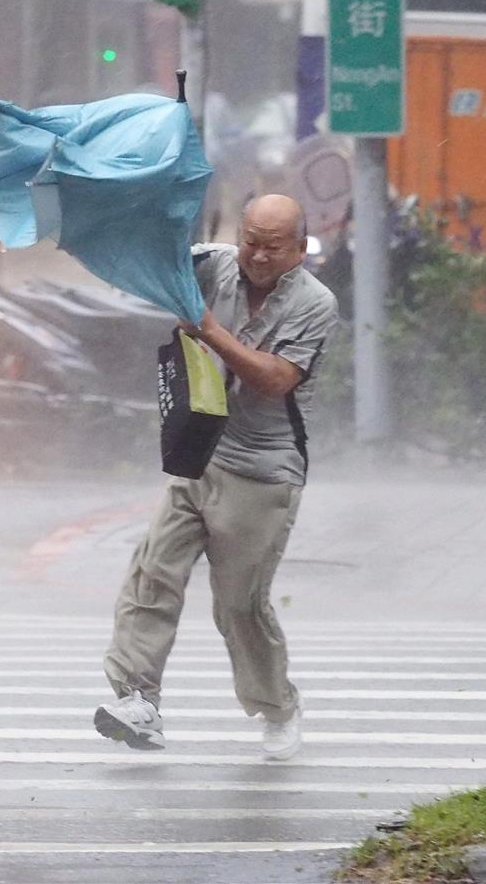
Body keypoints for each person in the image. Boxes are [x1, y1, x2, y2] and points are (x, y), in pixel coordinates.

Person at [94, 194, 339, 760]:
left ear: (299, 250)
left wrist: (206, 328)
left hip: (265, 469)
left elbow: (274, 379)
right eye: (249, 238)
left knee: (238, 605)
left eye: (272, 246)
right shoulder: (212, 263)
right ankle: (140, 699)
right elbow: (156, 265)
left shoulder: (314, 303)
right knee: (153, 571)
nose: (255, 254)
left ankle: (277, 706)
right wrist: (153, 222)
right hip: (201, 450)